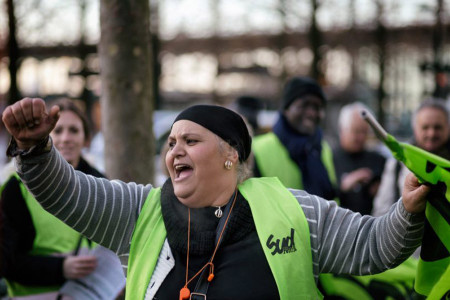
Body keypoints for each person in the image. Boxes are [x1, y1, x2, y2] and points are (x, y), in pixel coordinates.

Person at [2, 97, 430, 299]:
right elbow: (67, 193)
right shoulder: (139, 212)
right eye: (170, 143)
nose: (174, 151)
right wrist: (36, 151)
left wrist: (408, 209)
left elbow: (374, 246)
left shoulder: (296, 212)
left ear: (231, 155)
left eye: (190, 139)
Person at [1, 99, 125, 299]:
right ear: (45, 135)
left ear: (87, 139)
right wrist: (60, 268)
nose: (66, 138)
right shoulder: (15, 187)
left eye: (74, 130)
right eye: (58, 131)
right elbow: (6, 263)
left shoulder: (102, 185)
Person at [252, 76, 337, 200]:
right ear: (286, 109)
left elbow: (332, 198)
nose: (311, 113)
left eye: (317, 107)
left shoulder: (323, 148)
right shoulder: (257, 149)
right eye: (304, 105)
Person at [372, 98, 450, 217]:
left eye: (437, 127)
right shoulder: (398, 162)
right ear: (415, 129)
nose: (431, 133)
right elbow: (381, 212)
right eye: (425, 127)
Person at [333, 102, 386, 215]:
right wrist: (345, 186)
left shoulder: (378, 160)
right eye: (356, 131)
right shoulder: (330, 158)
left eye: (364, 132)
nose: (360, 137)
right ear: (342, 130)